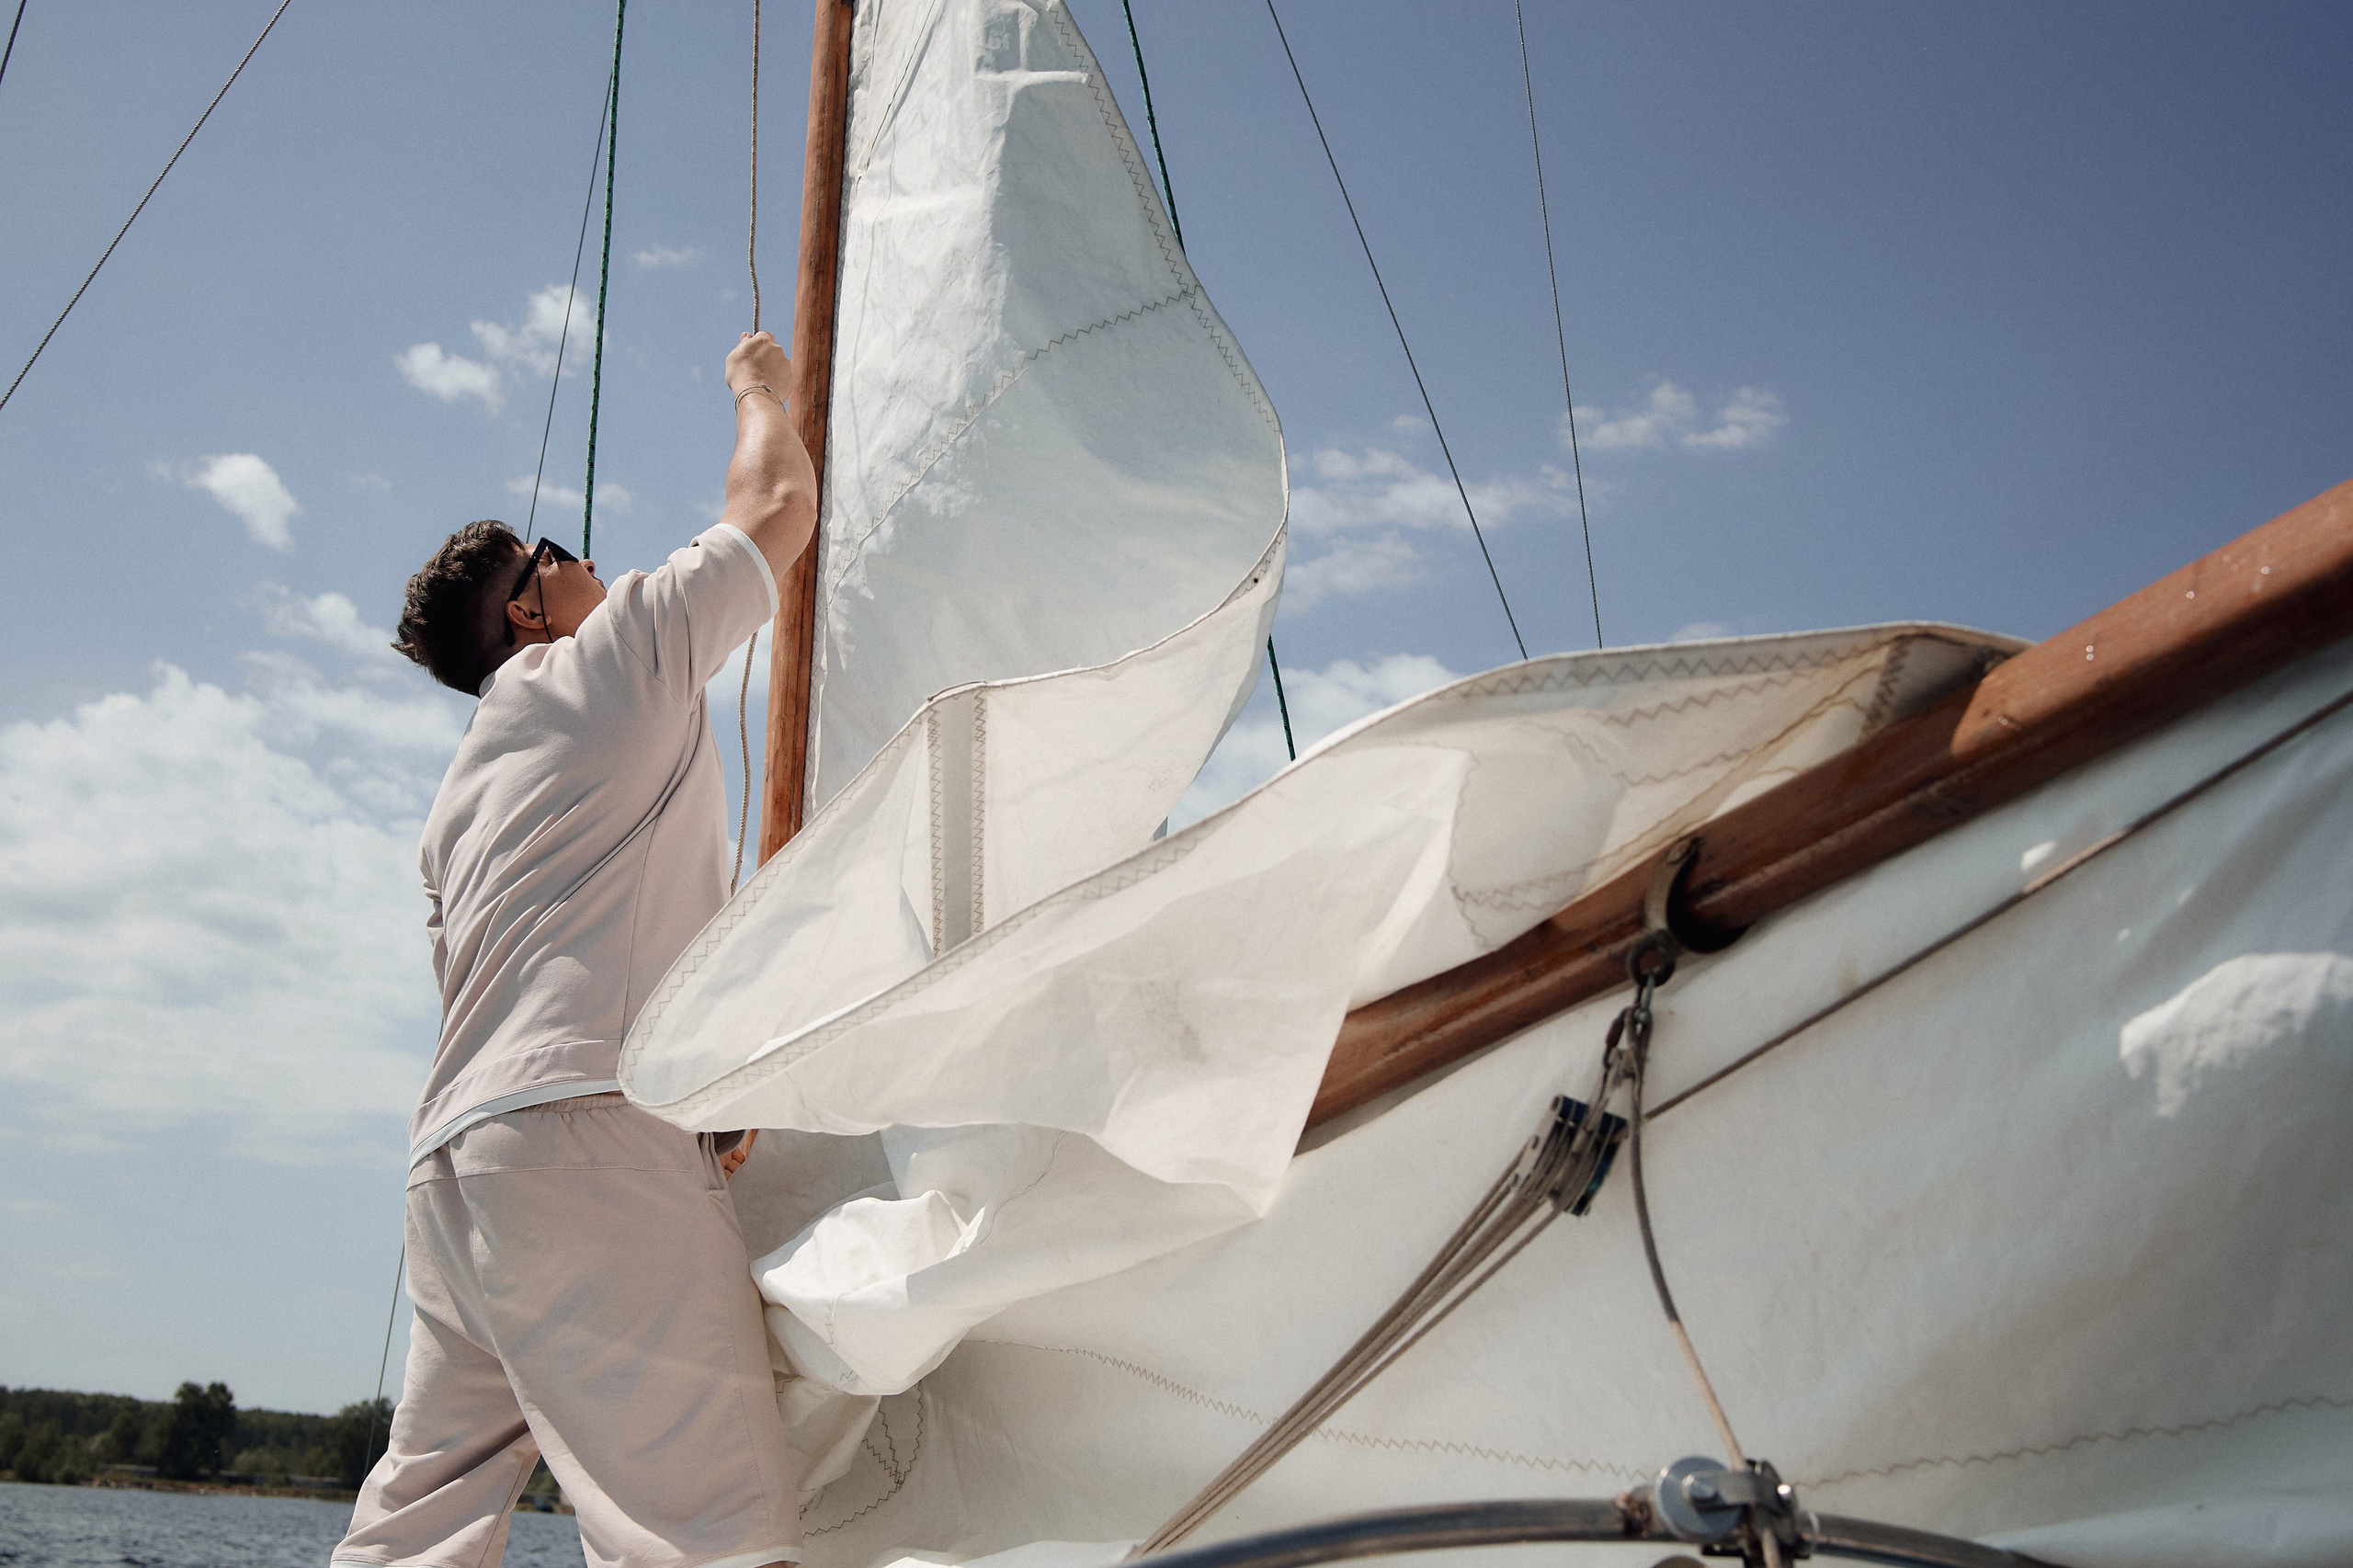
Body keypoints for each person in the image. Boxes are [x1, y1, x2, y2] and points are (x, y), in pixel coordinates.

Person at [334, 333, 815, 1568]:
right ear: (530, 604)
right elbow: (776, 502)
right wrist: (760, 384)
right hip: (582, 1141)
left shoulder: (454, 803)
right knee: (709, 1533)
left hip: (452, 1172)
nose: (592, 560)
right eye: (561, 552)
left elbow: (496, 979)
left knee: (420, 1520)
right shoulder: (614, 658)